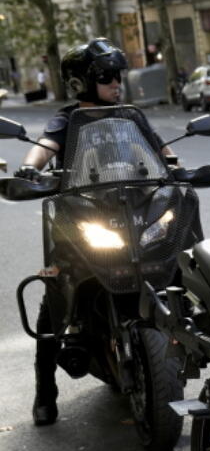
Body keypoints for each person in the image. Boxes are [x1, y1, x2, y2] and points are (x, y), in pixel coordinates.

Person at [14, 38, 161, 426]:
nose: (117, 83)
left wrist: (179, 167)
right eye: (107, 77)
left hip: (131, 212)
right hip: (82, 215)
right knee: (54, 297)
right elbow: (44, 146)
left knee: (172, 257)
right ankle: (45, 392)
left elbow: (162, 154)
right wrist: (31, 166)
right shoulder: (67, 119)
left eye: (118, 75)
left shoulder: (131, 116)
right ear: (82, 83)